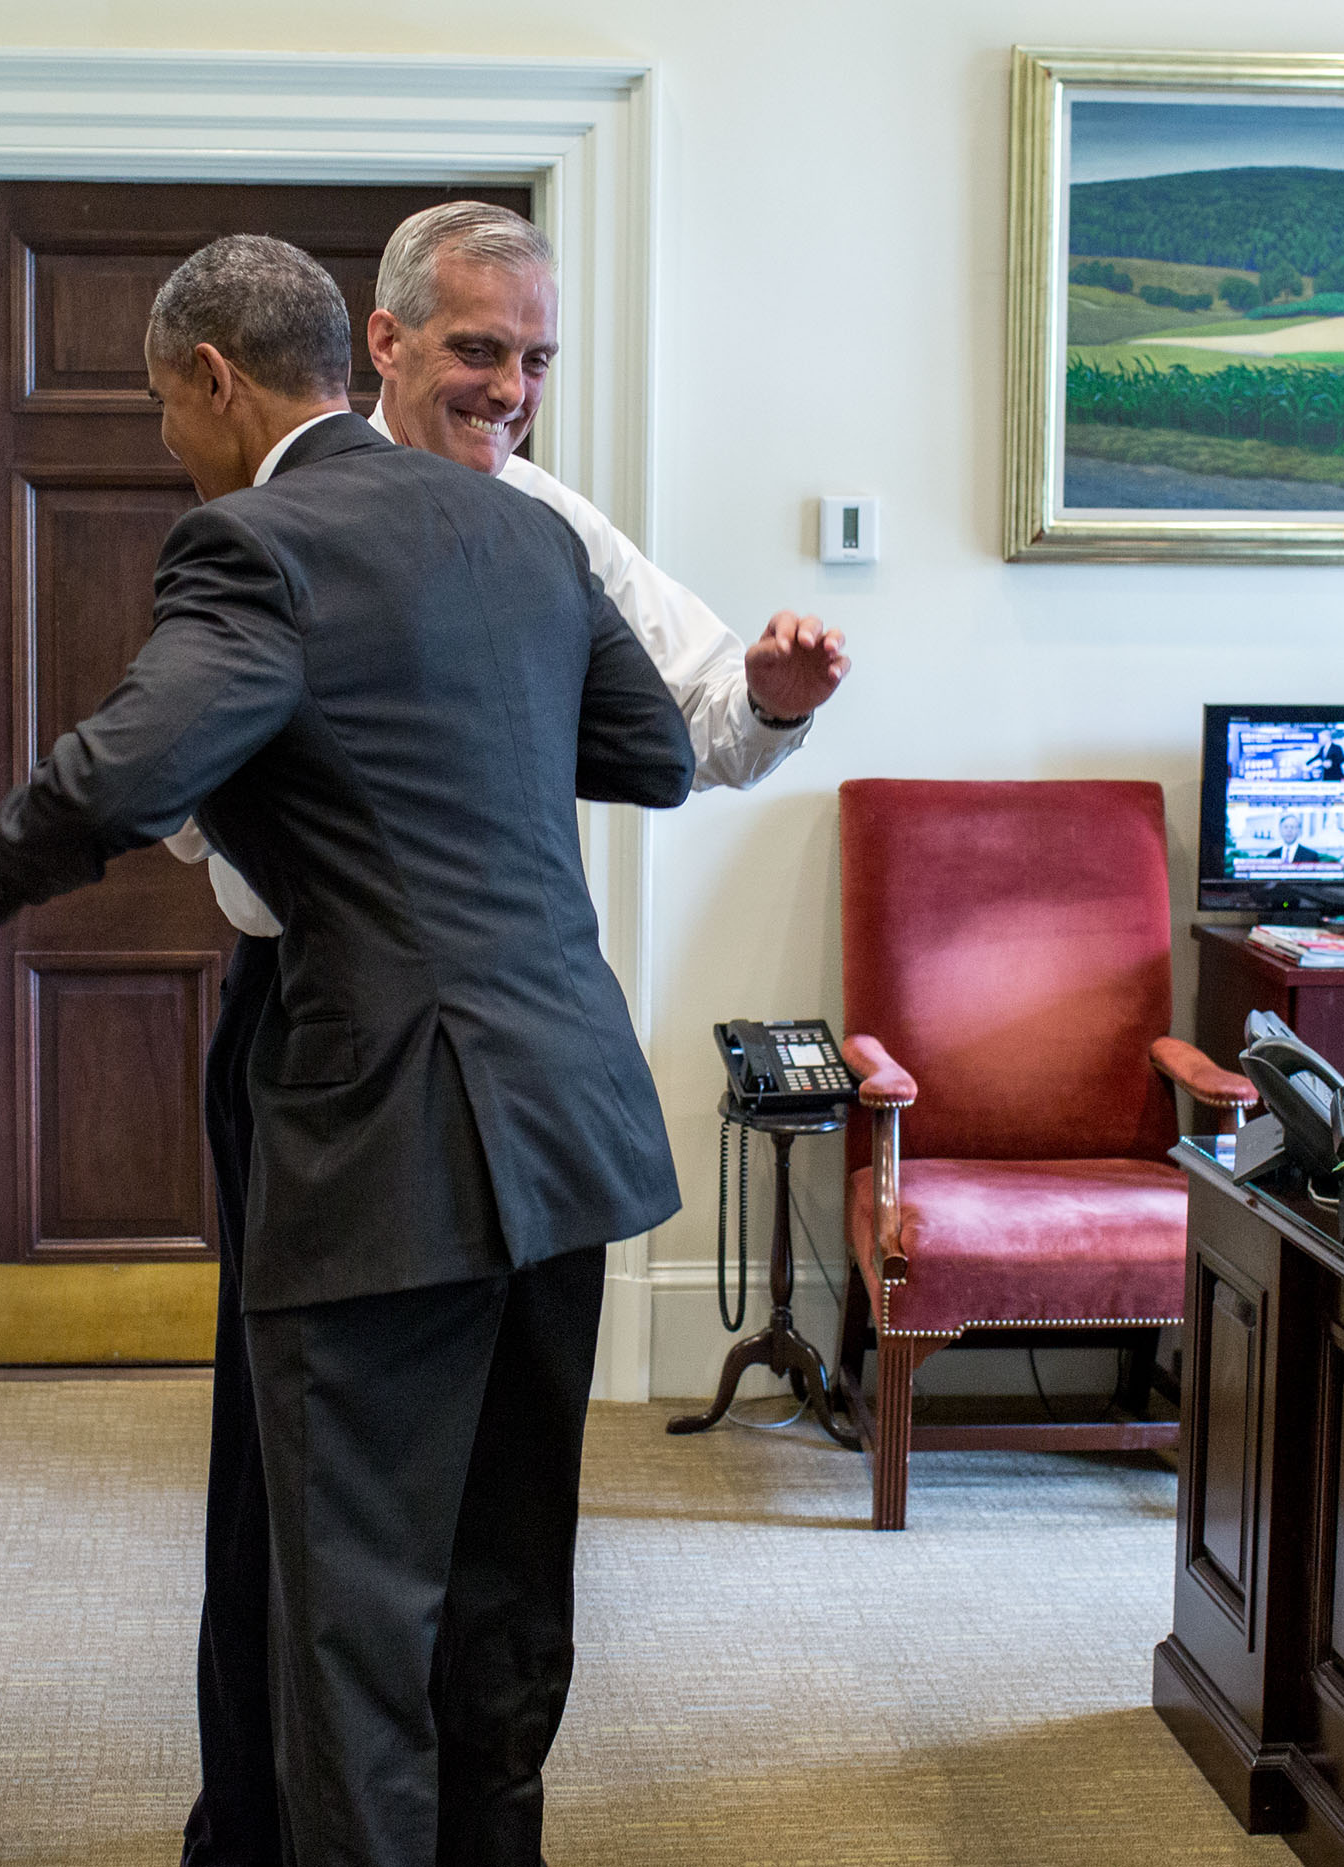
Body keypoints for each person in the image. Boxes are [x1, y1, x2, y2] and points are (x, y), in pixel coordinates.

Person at [0, 234, 696, 1867]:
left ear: (216, 380)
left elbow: (114, 780)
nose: (169, 445)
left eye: (167, 411)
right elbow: (648, 750)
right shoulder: (523, 529)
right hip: (571, 1131)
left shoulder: (255, 547)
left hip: (386, 1146)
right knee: (509, 1583)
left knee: (354, 1618)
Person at [172, 201, 849, 1867]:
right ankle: (273, 1829)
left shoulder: (549, 522)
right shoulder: (264, 529)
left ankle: (487, 1838)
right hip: (324, 1044)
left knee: (511, 1491)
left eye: (535, 359)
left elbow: (693, 728)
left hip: (528, 1067)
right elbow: (195, 819)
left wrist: (770, 693)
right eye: (479, 352)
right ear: (385, 344)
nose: (510, 391)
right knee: (306, 1501)